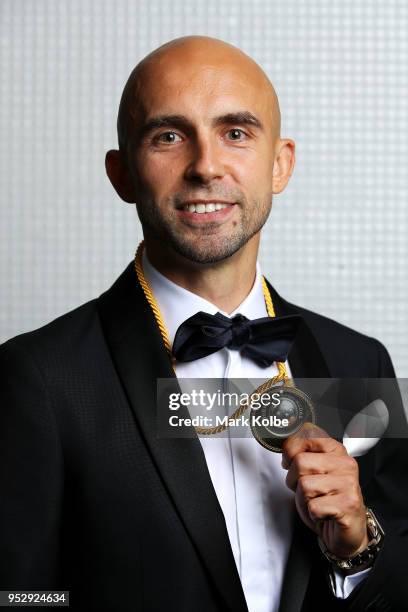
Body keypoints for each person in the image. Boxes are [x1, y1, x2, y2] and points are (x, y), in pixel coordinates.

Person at [0, 35, 407, 612]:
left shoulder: (361, 362)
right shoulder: (38, 377)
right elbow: (18, 594)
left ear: (280, 164)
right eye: (168, 136)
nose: (206, 166)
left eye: (235, 132)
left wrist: (358, 549)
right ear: (121, 174)